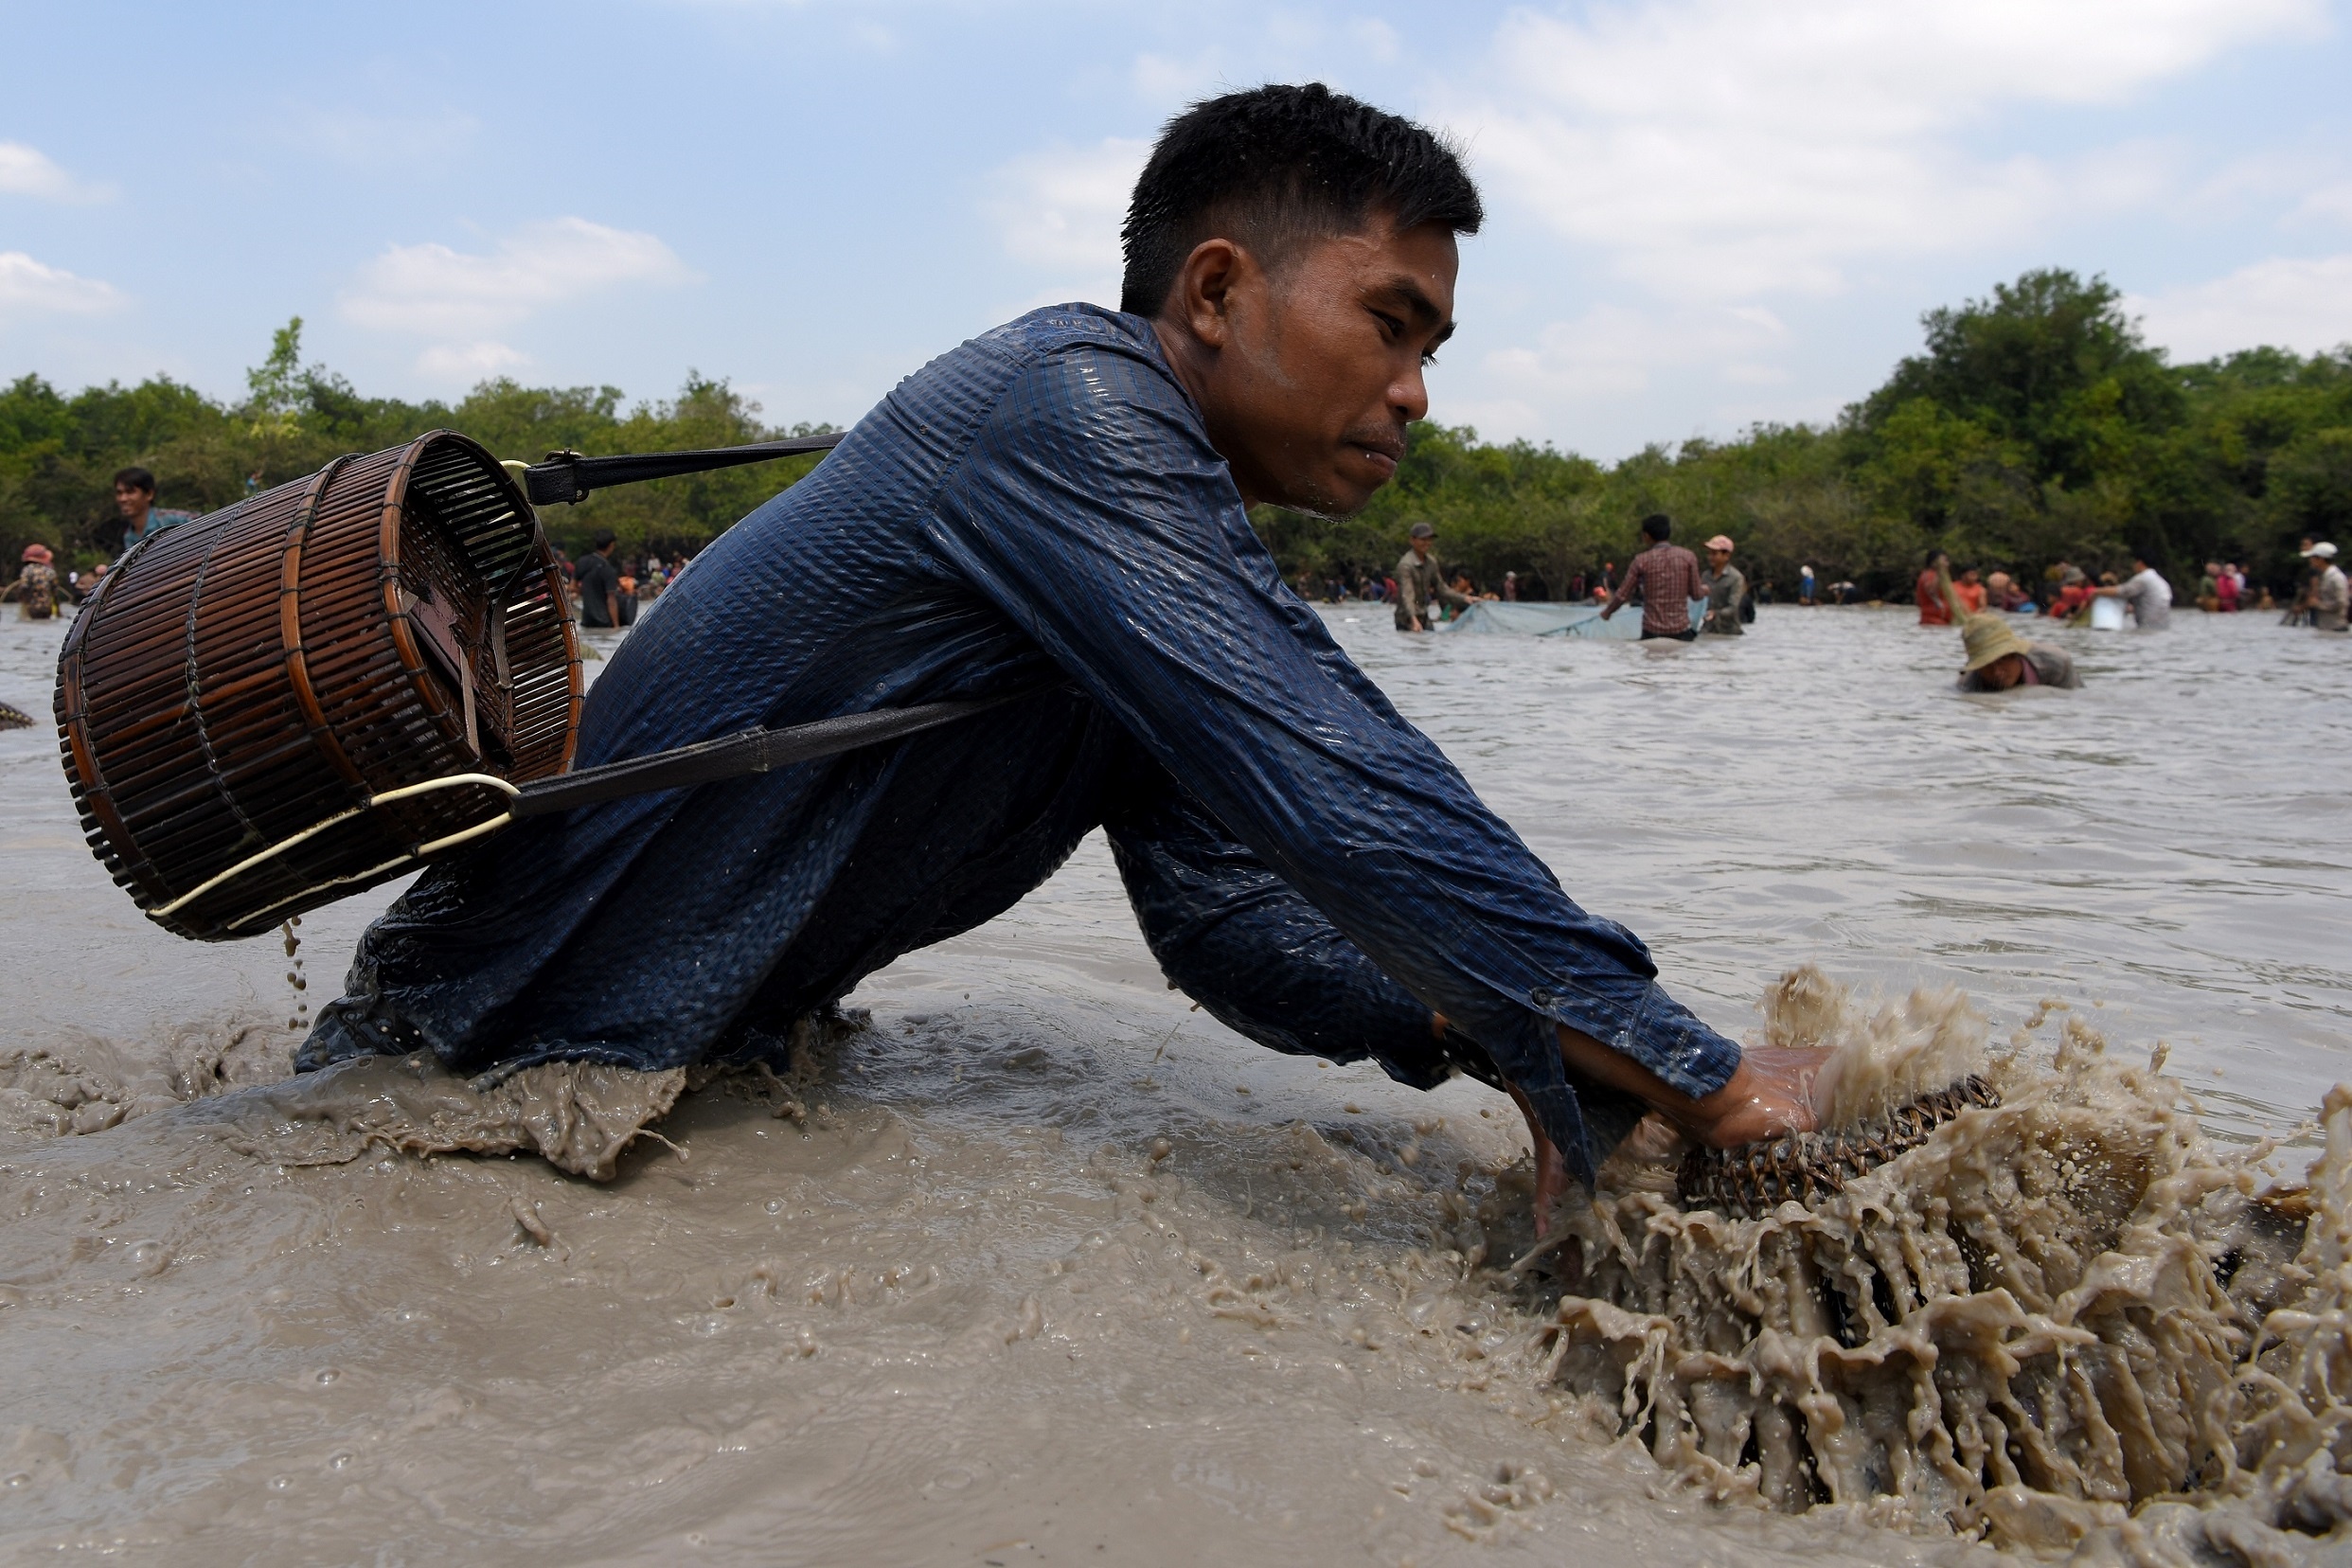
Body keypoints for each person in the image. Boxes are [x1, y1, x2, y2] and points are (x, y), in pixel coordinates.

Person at [303, 86, 1815, 1234]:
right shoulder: (1070, 411)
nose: (1417, 392)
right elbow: (1337, 774)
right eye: (1389, 324)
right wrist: (1704, 1069)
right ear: (1214, 292)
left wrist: (1487, 1027)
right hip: (471, 1058)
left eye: (1434, 349)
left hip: (672, 1069)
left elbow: (1227, 918)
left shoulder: (1136, 552)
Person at [1599, 514, 1704, 640]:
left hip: (1652, 633)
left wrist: (1607, 613)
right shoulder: (1688, 557)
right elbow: (1697, 595)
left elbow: (1623, 594)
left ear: (1646, 536)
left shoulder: (1641, 560)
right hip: (1681, 632)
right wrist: (1704, 589)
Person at [1956, 615, 2080, 691]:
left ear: (2017, 654)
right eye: (1987, 665)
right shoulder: (1968, 684)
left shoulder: (2057, 665)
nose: (1997, 672)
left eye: (2003, 659)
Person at [1394, 522, 1472, 632]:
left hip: (1424, 616)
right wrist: (1413, 620)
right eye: (1423, 539)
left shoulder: (1431, 562)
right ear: (1412, 540)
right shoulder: (1406, 565)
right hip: (1406, 618)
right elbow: (1407, 595)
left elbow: (1441, 588)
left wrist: (1464, 598)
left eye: (1429, 539)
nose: (1427, 543)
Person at [110, 468, 194, 553]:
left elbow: (202, 522)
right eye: (119, 493)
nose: (123, 499)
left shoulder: (172, 519)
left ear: (149, 494)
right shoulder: (129, 537)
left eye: (130, 492)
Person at [2097, 554, 2171, 630]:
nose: (2133, 566)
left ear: (2140, 563)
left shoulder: (2143, 578)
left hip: (2148, 628)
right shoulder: (2162, 582)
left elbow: (2122, 591)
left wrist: (2096, 591)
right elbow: (2150, 605)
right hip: (2163, 627)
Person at [574, 528, 624, 629]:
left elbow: (572, 587)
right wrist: (616, 626)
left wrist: (586, 593)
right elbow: (611, 599)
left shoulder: (582, 562)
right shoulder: (608, 569)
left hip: (586, 621)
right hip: (604, 622)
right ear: (611, 545)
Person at [5, 543, 68, 619]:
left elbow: (24, 588)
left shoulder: (27, 570)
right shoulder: (50, 571)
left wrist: (20, 598)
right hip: (47, 608)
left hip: (31, 608)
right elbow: (55, 594)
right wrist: (58, 612)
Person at [1698, 534, 1744, 636]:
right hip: (1707, 629)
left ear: (1726, 556)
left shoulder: (1736, 577)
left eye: (1714, 554)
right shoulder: (1705, 576)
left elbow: (1733, 607)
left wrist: (1715, 613)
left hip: (1730, 631)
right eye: (1709, 553)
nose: (1710, 557)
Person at [2311, 543, 2348, 633]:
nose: (2311, 560)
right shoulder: (2324, 576)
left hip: (2336, 628)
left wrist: (2318, 605)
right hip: (2325, 628)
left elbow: (2341, 603)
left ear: (2321, 559)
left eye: (2313, 558)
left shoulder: (2336, 577)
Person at [1916, 550, 1954, 626]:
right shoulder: (1928, 575)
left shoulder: (1939, 576)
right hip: (1932, 622)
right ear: (1934, 562)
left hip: (1942, 621)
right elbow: (1931, 591)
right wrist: (1940, 572)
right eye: (1945, 561)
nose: (1947, 564)